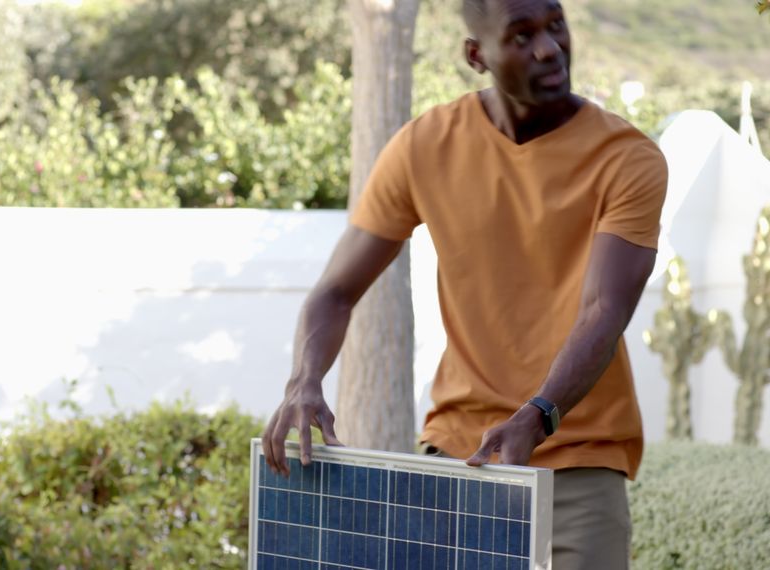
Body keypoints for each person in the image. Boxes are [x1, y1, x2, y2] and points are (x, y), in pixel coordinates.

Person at [261, 0, 667, 567]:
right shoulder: (423, 146)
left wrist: (539, 415)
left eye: (555, 26)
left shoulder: (627, 158)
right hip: (460, 457)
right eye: (521, 35)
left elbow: (605, 308)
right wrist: (304, 381)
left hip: (580, 458)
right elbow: (335, 292)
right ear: (477, 55)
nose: (549, 47)